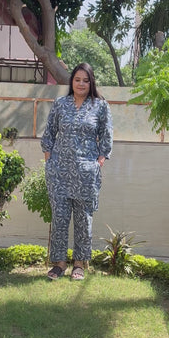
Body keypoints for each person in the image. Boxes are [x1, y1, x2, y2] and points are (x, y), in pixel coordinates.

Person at [41, 62, 113, 280]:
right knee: (60, 217)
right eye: (77, 79)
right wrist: (49, 160)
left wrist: (99, 160)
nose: (81, 84)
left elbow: (106, 135)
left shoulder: (100, 106)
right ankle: (59, 264)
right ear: (71, 82)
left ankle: (79, 264)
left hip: (86, 173)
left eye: (85, 80)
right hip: (59, 172)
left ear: (91, 83)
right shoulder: (61, 104)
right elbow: (49, 133)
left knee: (83, 218)